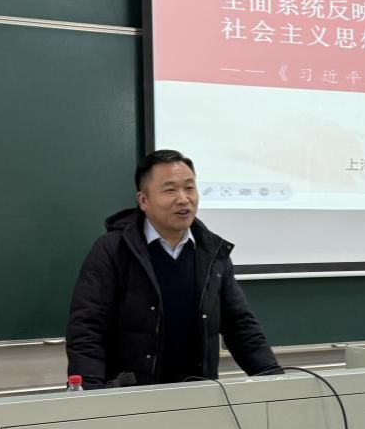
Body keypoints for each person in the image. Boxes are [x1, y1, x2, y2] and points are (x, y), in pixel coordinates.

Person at [66, 149, 282, 389]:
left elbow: (240, 326)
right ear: (143, 200)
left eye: (189, 188)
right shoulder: (113, 250)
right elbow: (88, 330)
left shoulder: (211, 252)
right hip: (130, 397)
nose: (183, 199)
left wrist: (276, 380)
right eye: (170, 190)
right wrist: (90, 397)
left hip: (199, 395)